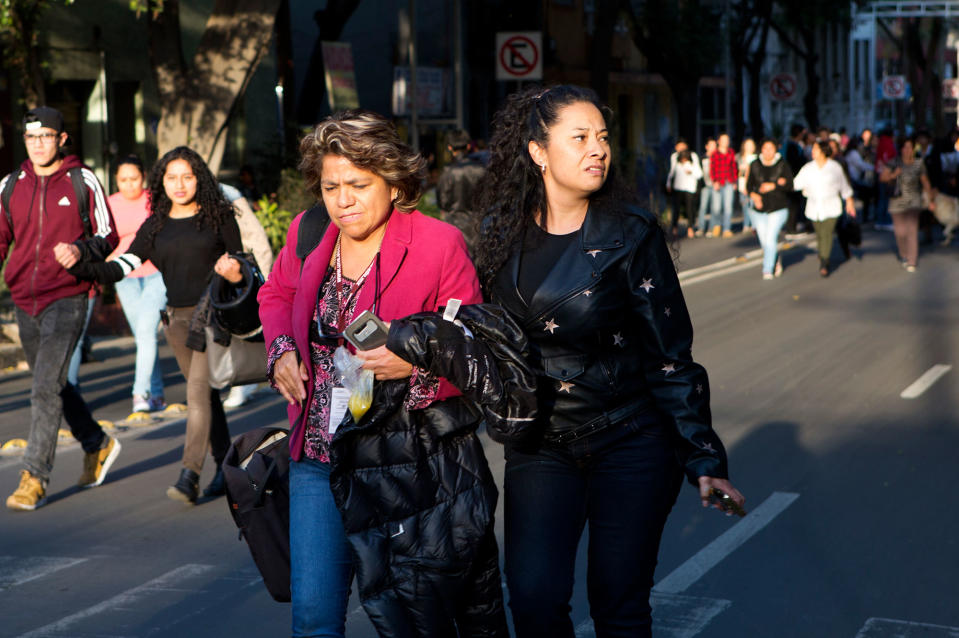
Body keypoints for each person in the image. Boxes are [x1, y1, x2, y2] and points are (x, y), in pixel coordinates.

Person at [473, 85, 744, 638]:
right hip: (540, 446)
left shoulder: (631, 235)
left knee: (618, 606)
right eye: (579, 138)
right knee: (533, 598)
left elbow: (671, 358)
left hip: (632, 442)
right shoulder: (499, 237)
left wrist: (704, 459)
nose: (597, 149)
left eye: (602, 137)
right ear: (538, 152)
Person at [257, 110, 514, 637]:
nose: (342, 200)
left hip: (406, 465)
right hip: (320, 455)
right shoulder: (310, 234)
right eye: (331, 186)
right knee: (313, 620)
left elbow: (472, 340)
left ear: (394, 183)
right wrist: (281, 348)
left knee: (415, 623)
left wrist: (417, 359)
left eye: (358, 184)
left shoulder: (438, 244)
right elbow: (277, 293)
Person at [57, 146, 242, 504]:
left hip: (213, 318)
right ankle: (228, 467)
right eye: (172, 177)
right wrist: (80, 266)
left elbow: (242, 260)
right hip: (177, 322)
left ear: (199, 178)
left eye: (187, 176)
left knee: (197, 395)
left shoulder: (219, 216)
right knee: (206, 396)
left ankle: (189, 474)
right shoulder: (155, 225)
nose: (180, 184)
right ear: (161, 182)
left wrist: (234, 269)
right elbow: (120, 267)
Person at [1, 106, 121, 511]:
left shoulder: (81, 179)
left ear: (61, 139)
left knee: (43, 387)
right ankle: (96, 442)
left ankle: (34, 475)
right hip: (24, 299)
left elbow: (108, 233)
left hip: (68, 296)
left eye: (46, 136)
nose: (38, 145)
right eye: (31, 138)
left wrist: (80, 249)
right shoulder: (10, 184)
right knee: (52, 384)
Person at [107, 154, 167, 414]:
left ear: (143, 177)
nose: (129, 184)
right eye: (123, 180)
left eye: (134, 179)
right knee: (144, 337)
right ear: (116, 180)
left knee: (145, 332)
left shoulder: (154, 200)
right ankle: (157, 394)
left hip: (156, 273)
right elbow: (103, 239)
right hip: (125, 278)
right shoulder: (109, 204)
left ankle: (139, 393)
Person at [218, 181, 274, 409]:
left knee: (242, 324)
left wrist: (264, 278)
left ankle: (243, 382)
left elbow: (257, 240)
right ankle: (243, 380)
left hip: (241, 271)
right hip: (217, 272)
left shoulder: (228, 196)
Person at [792, 139, 856, 277]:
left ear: (823, 151)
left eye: (815, 149)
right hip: (814, 207)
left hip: (831, 206)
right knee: (820, 234)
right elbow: (796, 183)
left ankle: (824, 261)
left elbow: (844, 186)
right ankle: (823, 254)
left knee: (827, 233)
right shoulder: (808, 168)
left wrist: (849, 201)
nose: (812, 152)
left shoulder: (835, 167)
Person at [881, 137, 932, 272]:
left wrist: (930, 199)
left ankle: (912, 260)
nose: (908, 150)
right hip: (896, 202)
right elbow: (882, 177)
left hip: (914, 201)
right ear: (901, 149)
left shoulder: (919, 163)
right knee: (900, 232)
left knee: (912, 231)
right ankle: (904, 254)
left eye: (910, 147)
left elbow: (925, 181)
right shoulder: (894, 162)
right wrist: (893, 175)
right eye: (905, 147)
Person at [746, 138, 793, 280]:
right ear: (761, 149)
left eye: (771, 149)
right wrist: (754, 196)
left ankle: (767, 269)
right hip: (759, 209)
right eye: (765, 148)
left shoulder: (782, 164)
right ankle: (775, 258)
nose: (768, 152)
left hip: (778, 207)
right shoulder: (754, 164)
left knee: (771, 238)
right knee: (765, 241)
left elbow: (790, 184)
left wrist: (775, 186)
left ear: (775, 149)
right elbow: (748, 186)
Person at [436, 128, 487, 253]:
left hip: (454, 227)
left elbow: (442, 202)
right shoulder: (482, 170)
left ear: (450, 148)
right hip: (479, 226)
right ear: (468, 146)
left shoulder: (448, 172)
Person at [665, 148, 702, 237]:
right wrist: (668, 184)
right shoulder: (677, 164)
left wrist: (691, 171)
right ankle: (674, 228)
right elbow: (671, 173)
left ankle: (690, 228)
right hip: (678, 188)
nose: (683, 160)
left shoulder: (692, 164)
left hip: (690, 189)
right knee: (676, 209)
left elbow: (699, 174)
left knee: (689, 209)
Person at [709, 133, 737, 237]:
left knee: (728, 207)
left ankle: (726, 228)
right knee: (716, 207)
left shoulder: (731, 152)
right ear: (719, 141)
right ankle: (717, 224)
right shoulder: (714, 154)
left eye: (727, 140)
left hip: (729, 181)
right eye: (723, 140)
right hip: (718, 182)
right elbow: (712, 169)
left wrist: (734, 182)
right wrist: (714, 181)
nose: (726, 142)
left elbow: (734, 167)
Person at [694, 137, 716, 236]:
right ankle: (701, 228)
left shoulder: (717, 157)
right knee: (703, 207)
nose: (713, 148)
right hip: (705, 186)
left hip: (715, 185)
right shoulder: (702, 158)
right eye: (711, 146)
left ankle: (711, 229)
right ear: (706, 147)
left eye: (715, 146)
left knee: (714, 207)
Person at [737, 137, 757, 233]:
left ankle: (754, 224)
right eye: (747, 145)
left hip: (752, 185)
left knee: (753, 204)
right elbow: (738, 173)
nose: (749, 147)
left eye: (751, 145)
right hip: (742, 184)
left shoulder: (755, 158)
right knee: (745, 205)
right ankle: (746, 224)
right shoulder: (739, 158)